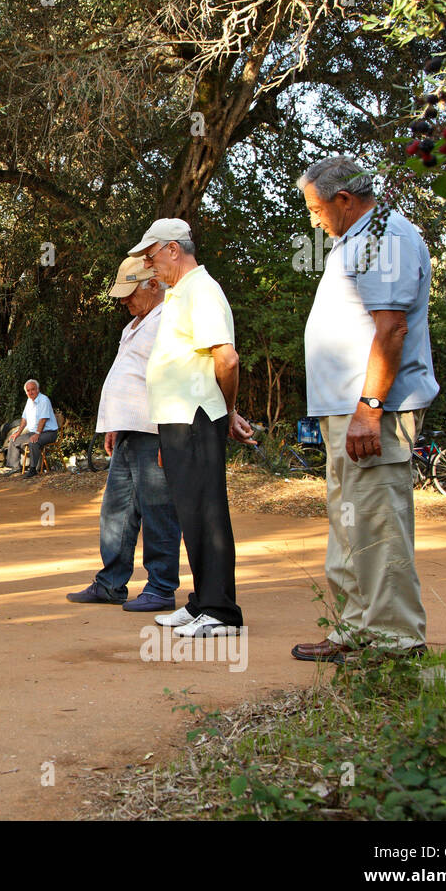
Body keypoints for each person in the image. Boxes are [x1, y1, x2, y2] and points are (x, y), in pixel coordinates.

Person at [291, 156, 438, 661]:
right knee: (350, 522)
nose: (312, 218)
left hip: (372, 411)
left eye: (315, 208)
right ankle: (355, 629)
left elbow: (392, 327)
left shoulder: (386, 238)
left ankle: (396, 643)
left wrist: (369, 408)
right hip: (344, 411)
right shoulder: (351, 242)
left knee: (376, 525)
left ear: (345, 200)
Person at [130, 218, 255, 638]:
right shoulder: (179, 294)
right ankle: (202, 602)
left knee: (207, 511)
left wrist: (228, 409)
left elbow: (227, 359)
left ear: (172, 249)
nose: (149, 265)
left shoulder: (201, 289)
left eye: (151, 256)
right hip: (180, 421)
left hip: (198, 417)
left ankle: (222, 610)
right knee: (190, 510)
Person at [69, 256, 182, 611]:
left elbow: (177, 376)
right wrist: (115, 421)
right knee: (116, 510)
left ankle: (161, 587)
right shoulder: (135, 324)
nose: (124, 301)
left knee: (158, 509)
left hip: (154, 428)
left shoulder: (172, 318)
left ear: (152, 284)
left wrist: (170, 431)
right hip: (130, 430)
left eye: (129, 292)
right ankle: (111, 583)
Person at [3, 380, 58, 478]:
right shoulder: (29, 401)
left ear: (38, 389)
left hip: (49, 432)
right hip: (34, 432)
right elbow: (24, 419)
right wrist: (18, 432)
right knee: (13, 439)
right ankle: (15, 467)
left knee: (34, 442)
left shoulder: (44, 400)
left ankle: (33, 469)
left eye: (33, 389)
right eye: (28, 390)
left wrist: (37, 434)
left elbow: (43, 419)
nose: (31, 392)